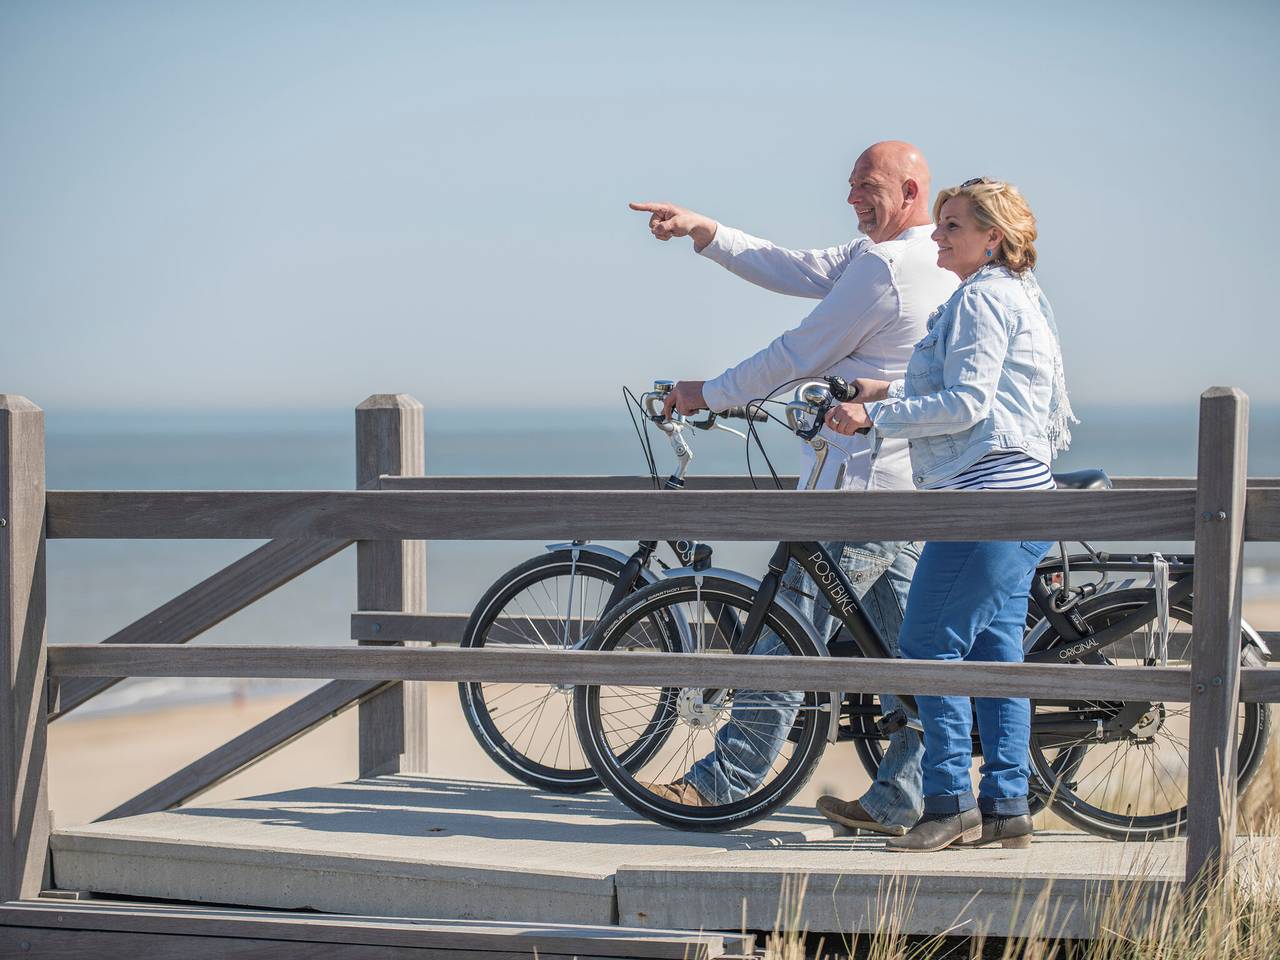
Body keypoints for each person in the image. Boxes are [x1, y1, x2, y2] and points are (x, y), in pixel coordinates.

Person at [628, 141, 958, 835]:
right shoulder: (918, 257)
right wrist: (706, 231)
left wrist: (706, 394)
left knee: (788, 633)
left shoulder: (888, 267)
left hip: (864, 492)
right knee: (911, 657)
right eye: (850, 186)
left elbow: (797, 352)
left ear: (910, 189)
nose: (850, 198)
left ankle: (725, 783)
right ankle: (906, 799)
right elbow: (798, 266)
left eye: (866, 186)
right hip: (902, 487)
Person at [825, 176, 1076, 851]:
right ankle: (1005, 805)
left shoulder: (981, 301)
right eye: (939, 225)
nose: (937, 236)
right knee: (995, 656)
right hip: (1017, 500)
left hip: (984, 503)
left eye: (953, 226)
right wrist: (886, 387)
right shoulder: (1015, 296)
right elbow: (967, 385)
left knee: (927, 647)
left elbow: (966, 404)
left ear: (993, 236)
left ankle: (947, 804)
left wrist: (871, 416)